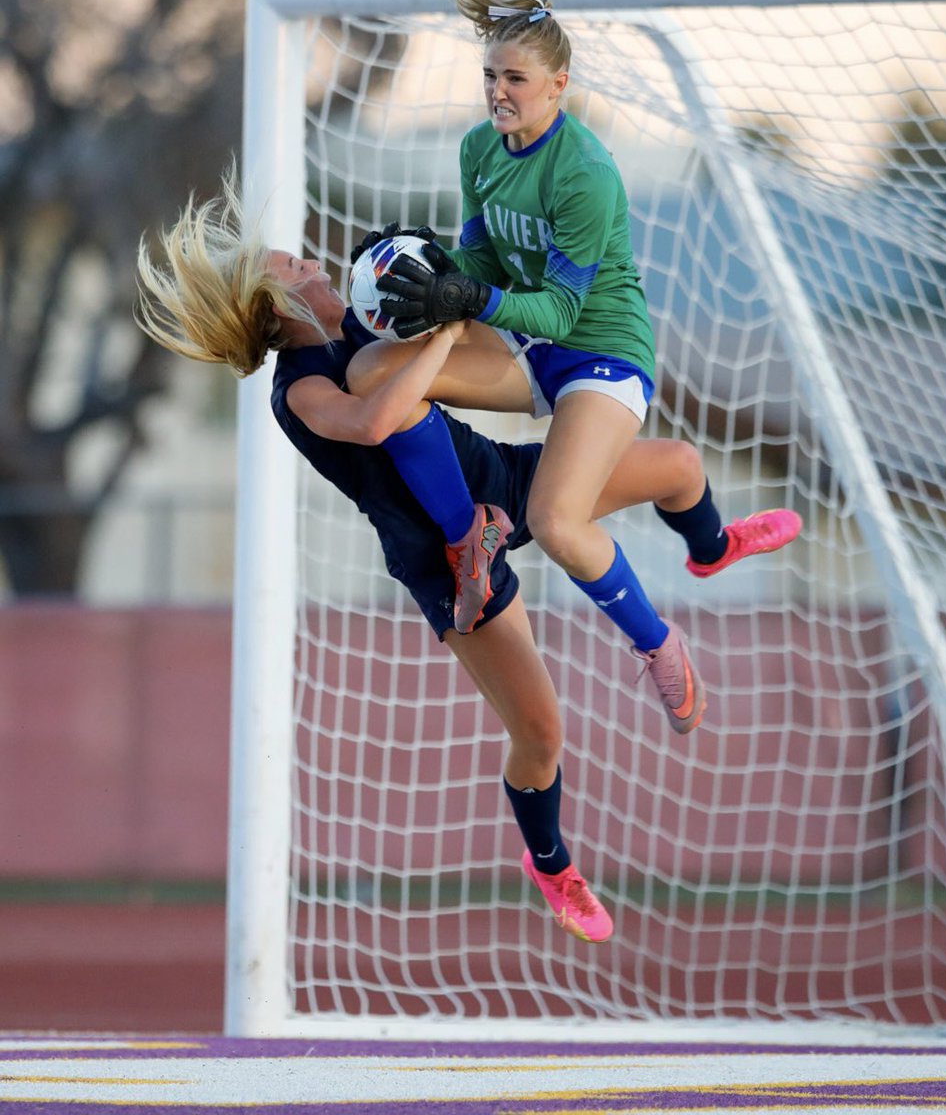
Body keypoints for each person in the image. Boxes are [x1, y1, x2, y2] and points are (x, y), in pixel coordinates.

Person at [135, 175, 717, 943]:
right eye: (299, 267)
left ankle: (714, 546)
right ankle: (551, 860)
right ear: (281, 307)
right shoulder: (301, 389)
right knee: (542, 734)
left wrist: (454, 287)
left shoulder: (366, 323)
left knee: (677, 464)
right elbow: (377, 420)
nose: (315, 265)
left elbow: (448, 322)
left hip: (498, 482)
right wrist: (444, 331)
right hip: (443, 563)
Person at [345, 0, 800, 738]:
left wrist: (472, 300)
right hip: (527, 341)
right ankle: (472, 536)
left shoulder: (584, 173)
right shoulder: (480, 151)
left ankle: (660, 643)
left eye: (515, 79)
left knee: (558, 524)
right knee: (373, 371)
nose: (499, 92)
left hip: (600, 356)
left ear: (558, 84)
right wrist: (419, 284)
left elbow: (559, 310)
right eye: (490, 75)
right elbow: (482, 264)